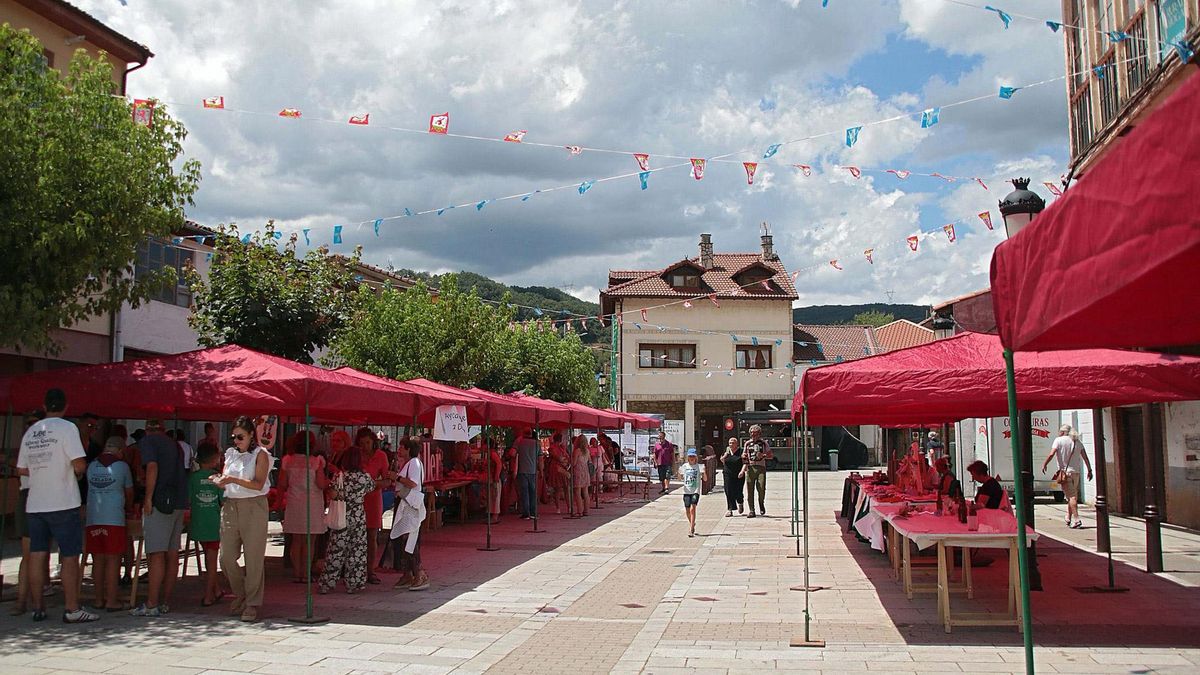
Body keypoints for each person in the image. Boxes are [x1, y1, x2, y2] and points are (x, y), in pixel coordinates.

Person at [16, 389, 97, 623]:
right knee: (69, 556)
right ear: (65, 406)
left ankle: (38, 608)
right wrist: (72, 472)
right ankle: (72, 608)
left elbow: (21, 468)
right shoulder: (67, 428)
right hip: (63, 501)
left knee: (37, 554)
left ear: (44, 406)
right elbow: (79, 464)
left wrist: (41, 471)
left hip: (35, 503)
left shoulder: (32, 431)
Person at [212, 416, 273, 622]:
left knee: (253, 557)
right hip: (231, 505)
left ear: (250, 436)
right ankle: (241, 593)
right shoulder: (230, 454)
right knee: (226, 557)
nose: (236, 441)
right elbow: (225, 477)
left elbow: (258, 484)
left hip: (254, 506)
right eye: (234, 437)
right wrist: (219, 480)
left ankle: (252, 603)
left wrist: (232, 479)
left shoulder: (260, 454)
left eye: (240, 437)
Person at [130, 419, 186, 618]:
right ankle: (165, 602)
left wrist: (148, 497)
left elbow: (152, 467)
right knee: (172, 553)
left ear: (147, 430)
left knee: (156, 553)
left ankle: (152, 603)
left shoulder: (148, 442)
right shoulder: (175, 444)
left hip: (161, 501)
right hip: (178, 501)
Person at [86, 436, 133, 612]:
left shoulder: (91, 465)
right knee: (113, 559)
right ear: (120, 451)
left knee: (97, 559)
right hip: (114, 518)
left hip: (93, 517)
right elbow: (129, 492)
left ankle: (98, 599)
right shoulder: (122, 466)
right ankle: (112, 600)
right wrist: (129, 508)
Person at [319, 445, 375, 595]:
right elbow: (371, 488)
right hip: (358, 517)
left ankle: (327, 583)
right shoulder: (365, 477)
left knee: (336, 551)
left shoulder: (340, 476)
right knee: (357, 551)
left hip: (341, 515)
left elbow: (332, 493)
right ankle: (354, 583)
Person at [278, 430, 328, 583]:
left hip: (294, 502)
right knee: (309, 541)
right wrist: (330, 481)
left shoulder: (287, 460)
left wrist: (279, 502)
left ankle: (297, 572)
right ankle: (306, 573)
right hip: (312, 504)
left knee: (296, 540)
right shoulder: (316, 461)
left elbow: (282, 484)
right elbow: (320, 484)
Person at [189, 443, 225, 606]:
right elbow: (223, 500)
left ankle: (216, 590)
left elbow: (189, 499)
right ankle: (208, 595)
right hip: (214, 523)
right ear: (214, 458)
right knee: (212, 562)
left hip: (198, 522)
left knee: (208, 558)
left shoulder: (193, 478)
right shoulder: (218, 478)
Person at [355, 427, 393, 583]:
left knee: (372, 536)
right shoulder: (356, 455)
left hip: (373, 499)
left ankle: (370, 571)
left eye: (368, 442)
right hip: (357, 500)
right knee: (356, 536)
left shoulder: (381, 456)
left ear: (373, 442)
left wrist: (373, 484)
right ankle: (356, 570)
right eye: (362, 443)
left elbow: (387, 480)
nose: (365, 446)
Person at [391, 438, 428, 591]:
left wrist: (397, 477)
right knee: (402, 539)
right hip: (405, 503)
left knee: (409, 539)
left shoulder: (414, 463)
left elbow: (412, 483)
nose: (399, 450)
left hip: (410, 505)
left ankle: (419, 573)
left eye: (401, 447)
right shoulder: (409, 463)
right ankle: (407, 574)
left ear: (408, 449)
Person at [1041, 425, 1094, 529]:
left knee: (1071, 497)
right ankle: (1068, 517)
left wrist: (1045, 464)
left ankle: (1077, 519)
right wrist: (1089, 470)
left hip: (1065, 473)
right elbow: (1085, 457)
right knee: (1072, 495)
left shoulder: (1058, 440)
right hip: (1076, 473)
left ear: (1062, 432)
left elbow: (1052, 454)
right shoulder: (1077, 442)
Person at [741, 425, 772, 518]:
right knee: (750, 490)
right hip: (750, 468)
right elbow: (744, 454)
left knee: (761, 488)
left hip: (761, 467)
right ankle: (751, 510)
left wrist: (763, 455)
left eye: (755, 433)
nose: (753, 435)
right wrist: (743, 456)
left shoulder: (763, 443)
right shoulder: (747, 443)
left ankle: (761, 503)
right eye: (751, 433)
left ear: (759, 434)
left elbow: (771, 455)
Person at [514, 426, 539, 521]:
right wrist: (541, 470)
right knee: (533, 491)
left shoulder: (519, 442)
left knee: (524, 492)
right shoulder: (536, 443)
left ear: (523, 433)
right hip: (533, 470)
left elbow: (512, 453)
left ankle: (526, 513)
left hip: (522, 470)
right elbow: (540, 458)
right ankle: (533, 512)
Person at [680, 449, 705, 537]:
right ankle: (692, 523)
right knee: (687, 510)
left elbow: (705, 479)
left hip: (695, 491)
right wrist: (679, 473)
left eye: (693, 456)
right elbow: (680, 478)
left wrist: (704, 473)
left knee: (692, 508)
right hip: (686, 491)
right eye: (690, 456)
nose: (691, 458)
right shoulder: (684, 466)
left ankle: (691, 530)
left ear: (696, 457)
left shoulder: (699, 467)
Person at [546, 433, 571, 514]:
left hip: (556, 469)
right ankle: (569, 507)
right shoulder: (559, 448)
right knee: (565, 488)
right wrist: (565, 461)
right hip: (560, 469)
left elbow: (561, 457)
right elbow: (561, 458)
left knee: (558, 489)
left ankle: (558, 508)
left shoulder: (553, 448)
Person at [720, 437, 745, 517]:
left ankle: (740, 502)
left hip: (738, 474)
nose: (731, 444)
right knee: (728, 491)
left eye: (733, 443)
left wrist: (742, 471)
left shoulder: (741, 451)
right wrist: (724, 456)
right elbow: (722, 461)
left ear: (737, 444)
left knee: (738, 491)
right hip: (727, 473)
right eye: (730, 443)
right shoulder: (727, 451)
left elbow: (745, 462)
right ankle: (730, 509)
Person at [572, 435, 591, 516]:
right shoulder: (587, 451)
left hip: (578, 472)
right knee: (586, 493)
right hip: (585, 472)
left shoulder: (577, 451)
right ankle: (586, 511)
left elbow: (574, 463)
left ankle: (579, 511)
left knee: (578, 493)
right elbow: (589, 461)